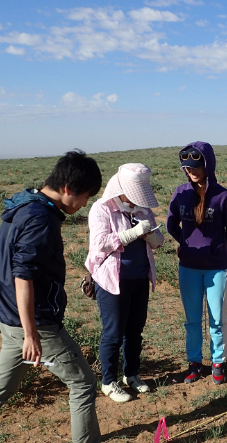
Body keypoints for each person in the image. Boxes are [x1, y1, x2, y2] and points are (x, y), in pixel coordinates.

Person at [0, 150, 131, 443]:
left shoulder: (25, 205)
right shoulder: (40, 219)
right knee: (82, 383)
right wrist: (32, 333)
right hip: (34, 324)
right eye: (83, 197)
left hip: (9, 319)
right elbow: (24, 274)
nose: (82, 205)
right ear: (67, 187)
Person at [83, 163, 164, 403]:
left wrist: (149, 234)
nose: (135, 199)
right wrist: (132, 233)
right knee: (113, 333)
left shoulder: (142, 209)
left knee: (135, 332)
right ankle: (108, 381)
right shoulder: (101, 209)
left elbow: (158, 242)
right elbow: (99, 243)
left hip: (140, 278)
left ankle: (132, 375)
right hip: (112, 281)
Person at [166, 142, 227, 385]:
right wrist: (185, 244)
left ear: (207, 164)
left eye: (196, 166)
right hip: (188, 267)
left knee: (217, 319)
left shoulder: (222, 195)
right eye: (187, 167)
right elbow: (170, 224)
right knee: (192, 319)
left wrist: (216, 251)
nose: (191, 171)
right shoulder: (180, 193)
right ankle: (195, 363)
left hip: (217, 268)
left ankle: (218, 362)